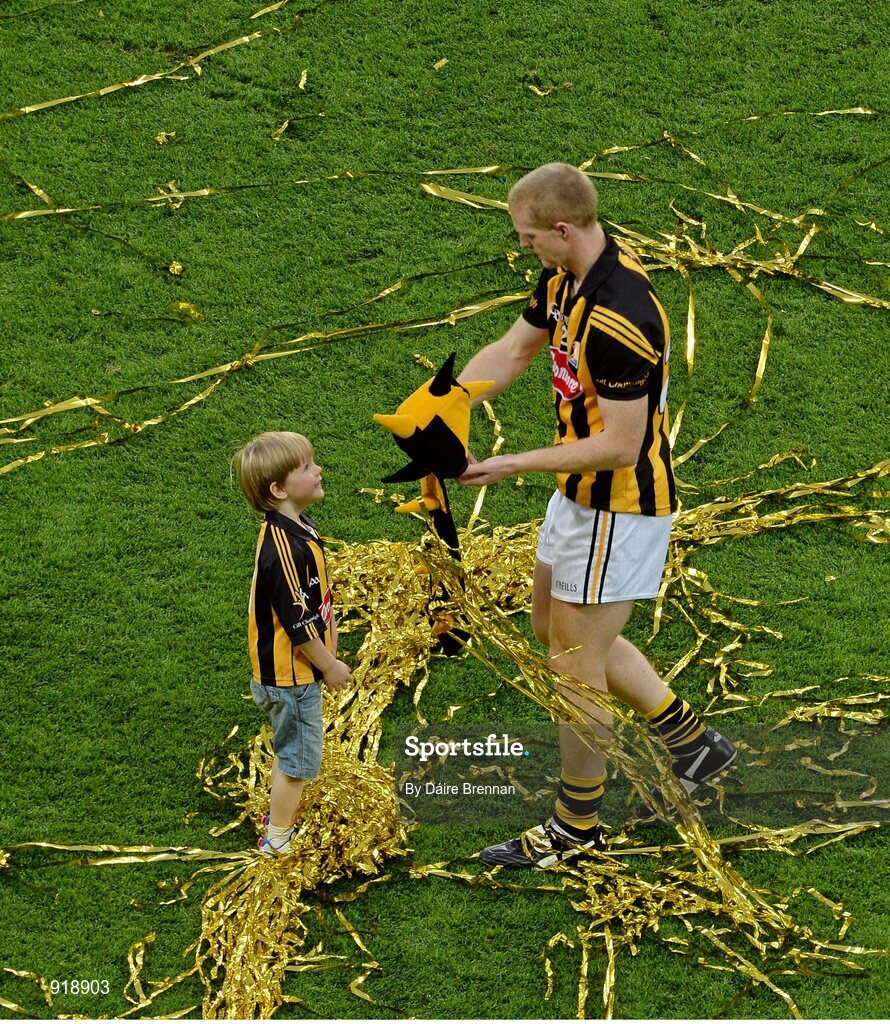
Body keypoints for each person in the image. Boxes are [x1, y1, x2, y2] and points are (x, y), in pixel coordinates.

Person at [456, 163, 735, 869]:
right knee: (553, 628)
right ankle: (692, 744)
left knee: (572, 668)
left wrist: (508, 463)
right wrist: (447, 403)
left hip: (619, 505)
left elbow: (620, 446)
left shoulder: (620, 318)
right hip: (581, 496)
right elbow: (516, 350)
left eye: (527, 237)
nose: (523, 249)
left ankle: (576, 828)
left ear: (562, 228)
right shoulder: (565, 279)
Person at [234, 431, 352, 857]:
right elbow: (298, 624)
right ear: (279, 489)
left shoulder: (296, 526)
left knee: (291, 749)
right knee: (298, 760)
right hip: (293, 676)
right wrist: (329, 666)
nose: (318, 469)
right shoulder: (281, 551)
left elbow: (313, 597)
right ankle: (278, 839)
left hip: (295, 671)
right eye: (306, 467)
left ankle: (277, 814)